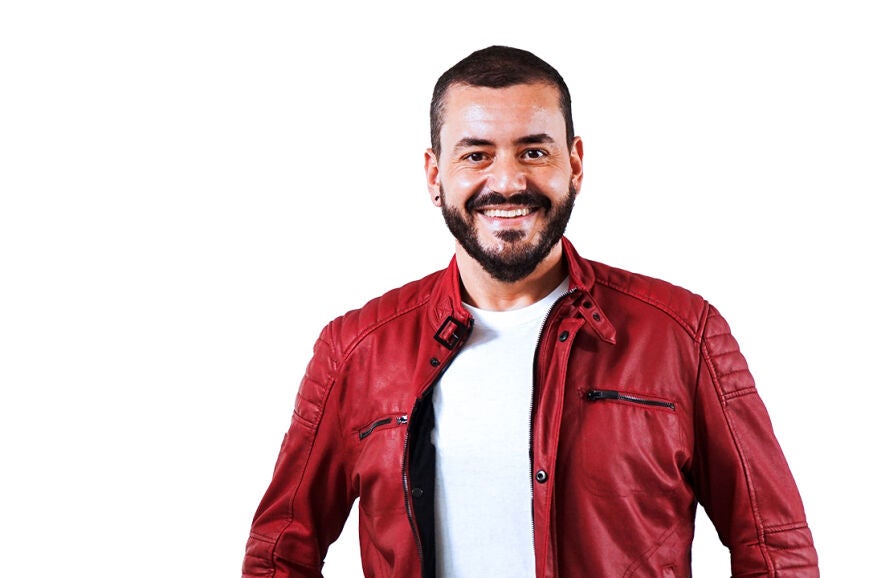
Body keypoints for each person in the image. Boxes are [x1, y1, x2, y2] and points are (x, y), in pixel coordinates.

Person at [243, 45, 818, 578]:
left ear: (575, 164)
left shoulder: (683, 334)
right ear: (434, 175)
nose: (508, 181)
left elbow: (774, 549)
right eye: (476, 154)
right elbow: (279, 555)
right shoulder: (356, 350)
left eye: (534, 152)